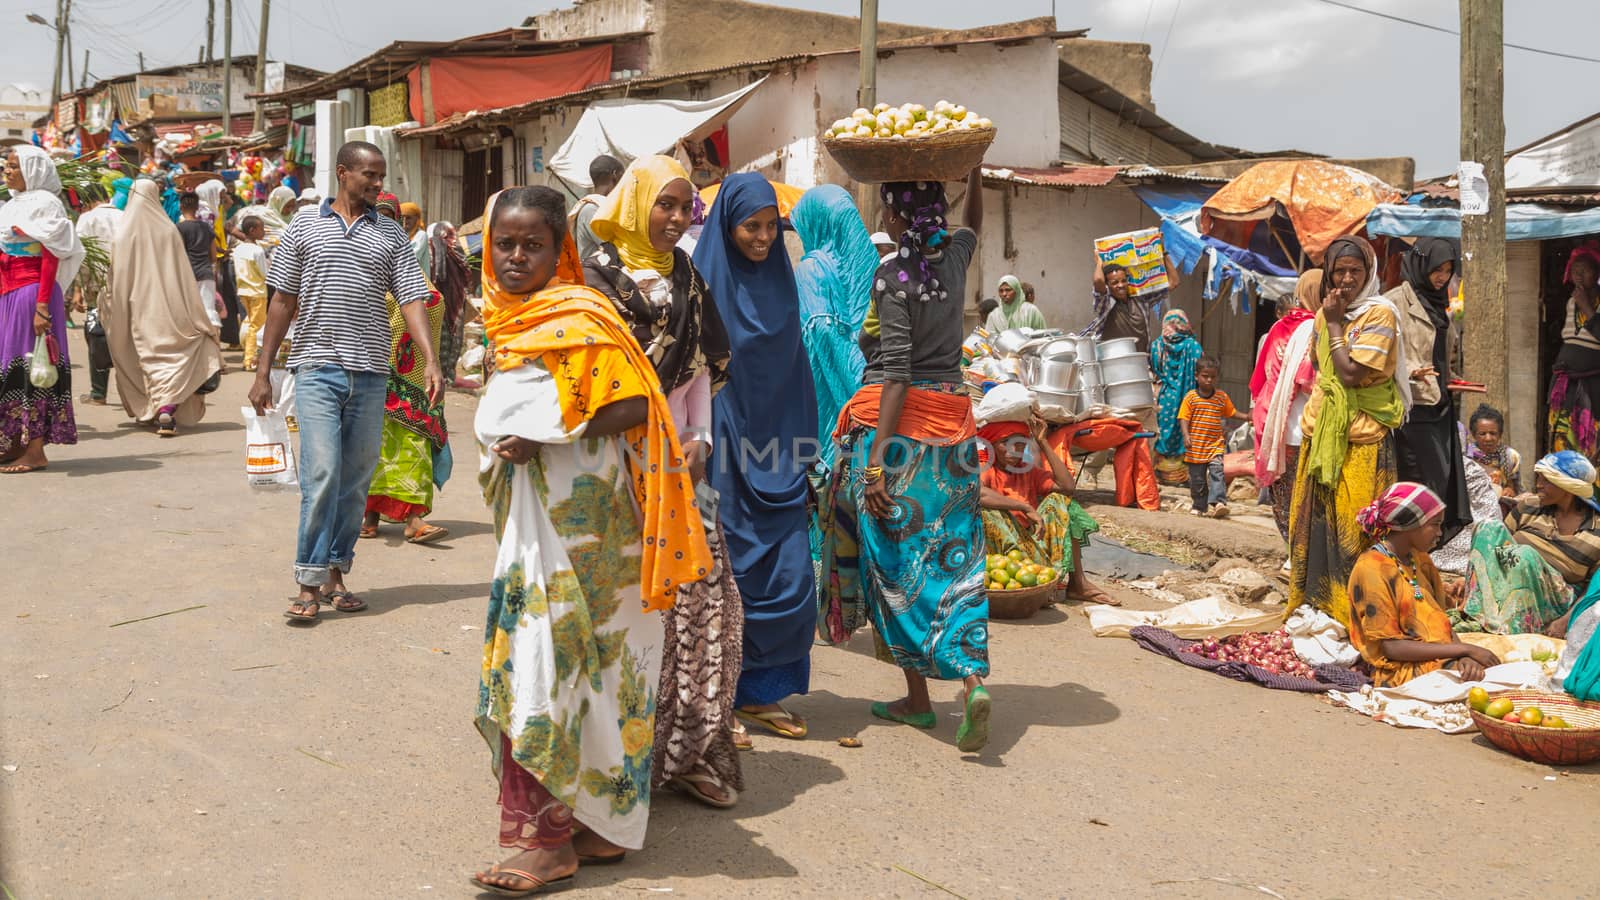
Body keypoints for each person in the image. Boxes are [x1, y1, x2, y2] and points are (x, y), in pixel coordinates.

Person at [471, 185, 712, 895]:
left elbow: (638, 402)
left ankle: (547, 841)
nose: (516, 257)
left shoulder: (585, 313)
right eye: (504, 244)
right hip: (540, 524)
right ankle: (599, 826)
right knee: (586, 673)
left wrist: (552, 430)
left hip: (594, 531)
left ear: (560, 249)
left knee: (553, 670)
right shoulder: (506, 318)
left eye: (532, 245)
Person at [583, 156, 744, 803]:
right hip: (613, 474)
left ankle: (690, 750)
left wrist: (701, 437)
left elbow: (701, 365)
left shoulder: (685, 276)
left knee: (706, 610)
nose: (676, 219)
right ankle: (618, 763)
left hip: (682, 474)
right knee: (627, 615)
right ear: (635, 202)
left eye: (685, 208)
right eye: (665, 205)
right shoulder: (596, 281)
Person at [820, 171, 994, 753]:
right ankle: (967, 685)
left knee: (896, 566)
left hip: (903, 439)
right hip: (956, 431)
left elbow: (894, 376)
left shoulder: (891, 277)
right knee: (956, 560)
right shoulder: (958, 259)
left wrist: (875, 469)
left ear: (897, 219)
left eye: (889, 212)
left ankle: (920, 698)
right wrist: (970, 172)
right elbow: (971, 226)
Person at [248, 141, 443, 624]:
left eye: (381, 176)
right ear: (342, 173)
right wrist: (262, 370)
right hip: (316, 369)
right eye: (369, 175)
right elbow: (280, 301)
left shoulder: (391, 235)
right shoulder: (304, 226)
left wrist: (431, 358)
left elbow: (413, 298)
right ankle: (308, 581)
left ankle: (336, 571)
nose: (378, 184)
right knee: (322, 475)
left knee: (355, 483)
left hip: (372, 374)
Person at [694, 173, 820, 748]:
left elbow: (797, 365)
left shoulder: (782, 282)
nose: (765, 238)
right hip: (722, 443)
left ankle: (763, 691)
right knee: (729, 569)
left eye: (772, 227)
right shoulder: (704, 284)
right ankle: (721, 697)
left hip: (779, 442)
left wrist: (805, 447)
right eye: (752, 226)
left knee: (790, 571)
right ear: (728, 225)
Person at [1287, 236, 1409, 628]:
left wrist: (1337, 322)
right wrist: (1332, 320)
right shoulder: (1323, 315)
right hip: (1322, 431)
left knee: (1354, 529)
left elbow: (1352, 373)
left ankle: (1357, 613)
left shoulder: (1379, 315)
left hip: (1362, 437)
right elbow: (1321, 365)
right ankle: (1317, 606)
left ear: (1369, 272)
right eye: (1339, 271)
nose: (1346, 279)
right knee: (1314, 523)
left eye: (1356, 271)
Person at [360, 194, 453, 545]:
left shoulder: (405, 257)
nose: (383, 225)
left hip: (410, 377)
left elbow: (427, 299)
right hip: (369, 371)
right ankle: (368, 516)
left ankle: (414, 520)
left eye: (390, 218)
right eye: (375, 216)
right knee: (369, 448)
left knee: (413, 444)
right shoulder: (355, 254)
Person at [101, 180, 224, 438]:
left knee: (145, 358)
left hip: (136, 311)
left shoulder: (123, 235)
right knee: (174, 357)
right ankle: (166, 408)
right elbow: (184, 277)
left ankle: (156, 408)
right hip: (172, 309)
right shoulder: (168, 231)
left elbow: (114, 279)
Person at [1347, 482, 1502, 686]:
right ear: (1409, 525)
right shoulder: (1372, 569)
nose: (1440, 532)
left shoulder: (1420, 560)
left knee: (1497, 671)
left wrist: (1463, 658)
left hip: (1441, 657)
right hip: (1398, 670)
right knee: (1484, 683)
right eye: (1434, 524)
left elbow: (1441, 623)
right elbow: (1391, 648)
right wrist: (1465, 650)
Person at [0, 145, 83, 473]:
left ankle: (35, 451)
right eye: (5, 167)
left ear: (32, 170)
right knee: (10, 369)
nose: (7, 172)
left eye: (12, 167)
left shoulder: (47, 205)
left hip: (33, 293)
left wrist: (43, 306)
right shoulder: (11, 204)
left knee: (32, 370)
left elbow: (51, 254)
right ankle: (15, 444)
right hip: (9, 294)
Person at [1457, 451, 1600, 636]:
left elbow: (1594, 589)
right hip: (1508, 585)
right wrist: (1472, 576)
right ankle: (1478, 609)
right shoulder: (1529, 507)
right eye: (1538, 478)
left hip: (1556, 603)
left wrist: (1565, 622)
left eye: (1546, 480)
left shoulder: (1596, 532)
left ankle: (1515, 625)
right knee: (1488, 527)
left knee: (1525, 554)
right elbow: (1495, 544)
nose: (1538, 485)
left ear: (1567, 487)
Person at [1388, 237, 1471, 542]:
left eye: (1448, 270)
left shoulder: (1442, 304)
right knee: (1416, 476)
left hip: (1440, 404)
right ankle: (1410, 541)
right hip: (1413, 405)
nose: (1442, 277)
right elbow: (1384, 352)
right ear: (1421, 266)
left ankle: (1431, 543)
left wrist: (1452, 377)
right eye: (1437, 269)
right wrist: (1409, 370)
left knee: (1442, 476)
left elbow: (1441, 354)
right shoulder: (1395, 302)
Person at [978, 417, 1110, 604]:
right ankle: (1031, 587)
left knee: (1061, 501)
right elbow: (979, 494)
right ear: (991, 445)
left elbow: (1067, 486)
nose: (1013, 451)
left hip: (1034, 546)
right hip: (1003, 560)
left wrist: (1043, 442)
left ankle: (1078, 582)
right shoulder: (986, 468)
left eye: (1019, 444)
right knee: (988, 512)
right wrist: (1023, 506)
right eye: (1004, 443)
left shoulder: (1027, 470)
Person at [791, 184, 877, 470]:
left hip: (831, 393)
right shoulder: (869, 267)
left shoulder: (810, 270)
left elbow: (824, 335)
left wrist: (859, 394)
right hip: (877, 391)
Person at [1251, 270, 1320, 542]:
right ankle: (1301, 555)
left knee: (1282, 494)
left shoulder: (1277, 329)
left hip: (1274, 426)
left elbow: (1260, 379)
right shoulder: (1321, 329)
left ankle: (1291, 549)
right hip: (1310, 426)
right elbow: (1313, 381)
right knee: (1309, 497)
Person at [1549, 240, 1600, 464]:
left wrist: (1588, 308)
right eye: (1575, 271)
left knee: (1587, 440)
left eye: (1585, 270)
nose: (1578, 276)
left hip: (1591, 388)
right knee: (1562, 438)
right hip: (1564, 385)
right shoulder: (1571, 302)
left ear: (1596, 273)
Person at [74, 183, 124, 406]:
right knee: (126, 337)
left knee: (96, 334)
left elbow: (79, 256)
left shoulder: (87, 219)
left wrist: (79, 289)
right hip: (124, 284)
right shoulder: (125, 216)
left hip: (97, 285)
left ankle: (98, 392)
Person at [1178, 356, 1240, 518]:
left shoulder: (1221, 397)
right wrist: (1186, 435)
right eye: (1205, 376)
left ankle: (1219, 502)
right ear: (1197, 376)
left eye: (1213, 377)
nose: (1209, 380)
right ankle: (1199, 505)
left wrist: (1248, 416)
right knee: (1197, 480)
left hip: (1215, 445)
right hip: (1195, 447)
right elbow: (1183, 418)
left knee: (1217, 472)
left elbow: (1232, 412)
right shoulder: (1191, 397)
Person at [1089, 254, 1179, 353]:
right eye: (1115, 282)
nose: (1120, 285)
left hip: (1141, 359)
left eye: (1123, 281)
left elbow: (1173, 283)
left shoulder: (1141, 299)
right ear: (1107, 285)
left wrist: (1163, 253)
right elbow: (1098, 280)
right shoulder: (1106, 303)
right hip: (1113, 362)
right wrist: (1099, 262)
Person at [1149, 308, 1203, 461]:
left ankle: (1161, 470)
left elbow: (1155, 370)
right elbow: (1201, 370)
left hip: (1164, 397)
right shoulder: (1193, 346)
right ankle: (1179, 474)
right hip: (1189, 396)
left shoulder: (1157, 346)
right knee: (1185, 433)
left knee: (1162, 433)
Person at [176, 192, 224, 330]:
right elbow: (214, 256)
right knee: (208, 310)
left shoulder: (178, 228)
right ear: (197, 207)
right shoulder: (206, 227)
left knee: (189, 312)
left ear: (180, 207)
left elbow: (178, 254)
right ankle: (213, 344)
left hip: (187, 275)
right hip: (205, 272)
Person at [570, 155, 624, 261]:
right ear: (615, 175)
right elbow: (614, 248)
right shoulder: (592, 209)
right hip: (597, 275)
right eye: (622, 177)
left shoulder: (602, 206)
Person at [234, 217, 270, 372]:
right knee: (257, 326)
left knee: (249, 323)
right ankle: (250, 360)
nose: (264, 231)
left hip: (243, 291)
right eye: (261, 228)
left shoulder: (239, 249)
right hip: (258, 292)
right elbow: (264, 273)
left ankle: (249, 356)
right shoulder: (257, 250)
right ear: (252, 231)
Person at [1464, 404, 1522, 496]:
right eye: (1482, 434)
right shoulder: (1467, 456)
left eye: (1493, 433)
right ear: (1474, 434)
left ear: (1500, 433)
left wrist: (1509, 490)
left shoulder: (1511, 456)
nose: (1488, 438)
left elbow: (1514, 487)